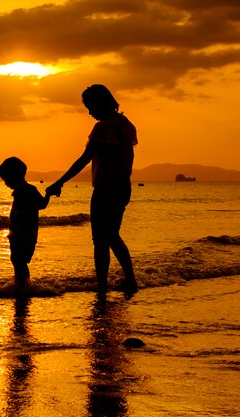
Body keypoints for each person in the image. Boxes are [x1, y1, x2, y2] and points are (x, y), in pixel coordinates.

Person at [46, 84, 138, 294]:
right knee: (112, 235)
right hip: (123, 187)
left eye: (90, 106)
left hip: (106, 189)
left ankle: (102, 286)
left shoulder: (103, 128)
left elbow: (84, 160)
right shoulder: (125, 124)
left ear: (101, 103)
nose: (89, 112)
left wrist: (59, 182)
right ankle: (130, 280)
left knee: (100, 239)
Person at [0, 157, 50, 291]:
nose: (5, 183)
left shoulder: (26, 191)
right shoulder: (26, 190)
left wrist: (48, 194)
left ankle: (23, 286)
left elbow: (39, 206)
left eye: (6, 179)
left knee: (18, 261)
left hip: (23, 234)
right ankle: (22, 284)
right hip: (22, 234)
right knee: (18, 261)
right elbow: (42, 204)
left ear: (14, 176)